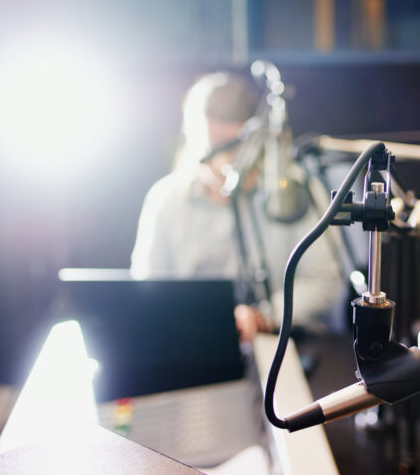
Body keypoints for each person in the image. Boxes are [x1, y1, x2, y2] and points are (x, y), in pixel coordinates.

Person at [131, 72, 344, 339]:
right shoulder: (165, 199)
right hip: (191, 341)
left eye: (235, 147)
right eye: (215, 146)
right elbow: (146, 289)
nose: (226, 162)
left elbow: (324, 280)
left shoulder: (295, 192)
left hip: (283, 339)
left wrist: (263, 316)